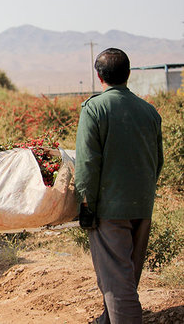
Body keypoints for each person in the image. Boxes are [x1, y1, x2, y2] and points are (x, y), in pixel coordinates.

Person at [75, 48, 163, 324]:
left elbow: (88, 163)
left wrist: (86, 204)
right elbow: (157, 161)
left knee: (118, 285)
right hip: (142, 206)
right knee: (126, 277)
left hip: (110, 211)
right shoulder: (149, 111)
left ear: (99, 76)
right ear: (128, 74)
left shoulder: (96, 108)